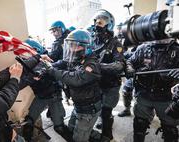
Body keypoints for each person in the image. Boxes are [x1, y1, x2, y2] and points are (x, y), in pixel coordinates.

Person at [44, 29, 102, 142]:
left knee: (78, 138)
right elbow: (63, 63)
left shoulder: (91, 64)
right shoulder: (77, 59)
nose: (72, 49)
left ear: (87, 47)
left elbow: (76, 78)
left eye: (75, 46)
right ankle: (98, 138)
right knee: (72, 128)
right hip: (79, 105)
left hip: (89, 109)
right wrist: (48, 64)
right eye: (70, 46)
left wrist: (52, 71)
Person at [126, 39, 179, 142]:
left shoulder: (177, 50)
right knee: (139, 125)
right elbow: (130, 61)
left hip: (167, 98)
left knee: (170, 131)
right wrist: (129, 68)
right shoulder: (144, 47)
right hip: (143, 95)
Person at [90, 9, 125, 141]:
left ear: (109, 24)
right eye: (95, 22)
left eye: (100, 22)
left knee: (106, 111)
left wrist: (100, 67)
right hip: (95, 83)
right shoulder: (92, 41)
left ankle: (107, 134)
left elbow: (119, 65)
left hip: (110, 84)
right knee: (97, 107)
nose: (96, 25)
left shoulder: (115, 43)